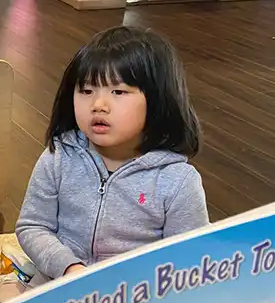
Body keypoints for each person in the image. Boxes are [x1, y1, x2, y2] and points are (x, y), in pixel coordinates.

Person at [16, 26, 208, 284]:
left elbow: (188, 258)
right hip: (60, 282)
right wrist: (69, 267)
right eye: (86, 91)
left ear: (158, 99)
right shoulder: (59, 156)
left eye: (118, 91)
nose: (98, 105)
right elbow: (32, 226)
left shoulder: (177, 181)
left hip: (132, 294)